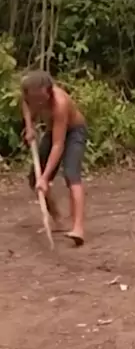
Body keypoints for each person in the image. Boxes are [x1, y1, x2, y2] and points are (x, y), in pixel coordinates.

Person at [21, 70, 87, 246]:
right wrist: (29, 127)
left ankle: (78, 228)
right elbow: (25, 104)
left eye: (41, 98)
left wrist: (45, 177)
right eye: (35, 98)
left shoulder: (60, 103)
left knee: (72, 175)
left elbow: (58, 145)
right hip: (54, 131)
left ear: (49, 91)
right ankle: (58, 219)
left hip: (74, 131)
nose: (38, 102)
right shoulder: (29, 95)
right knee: (34, 179)